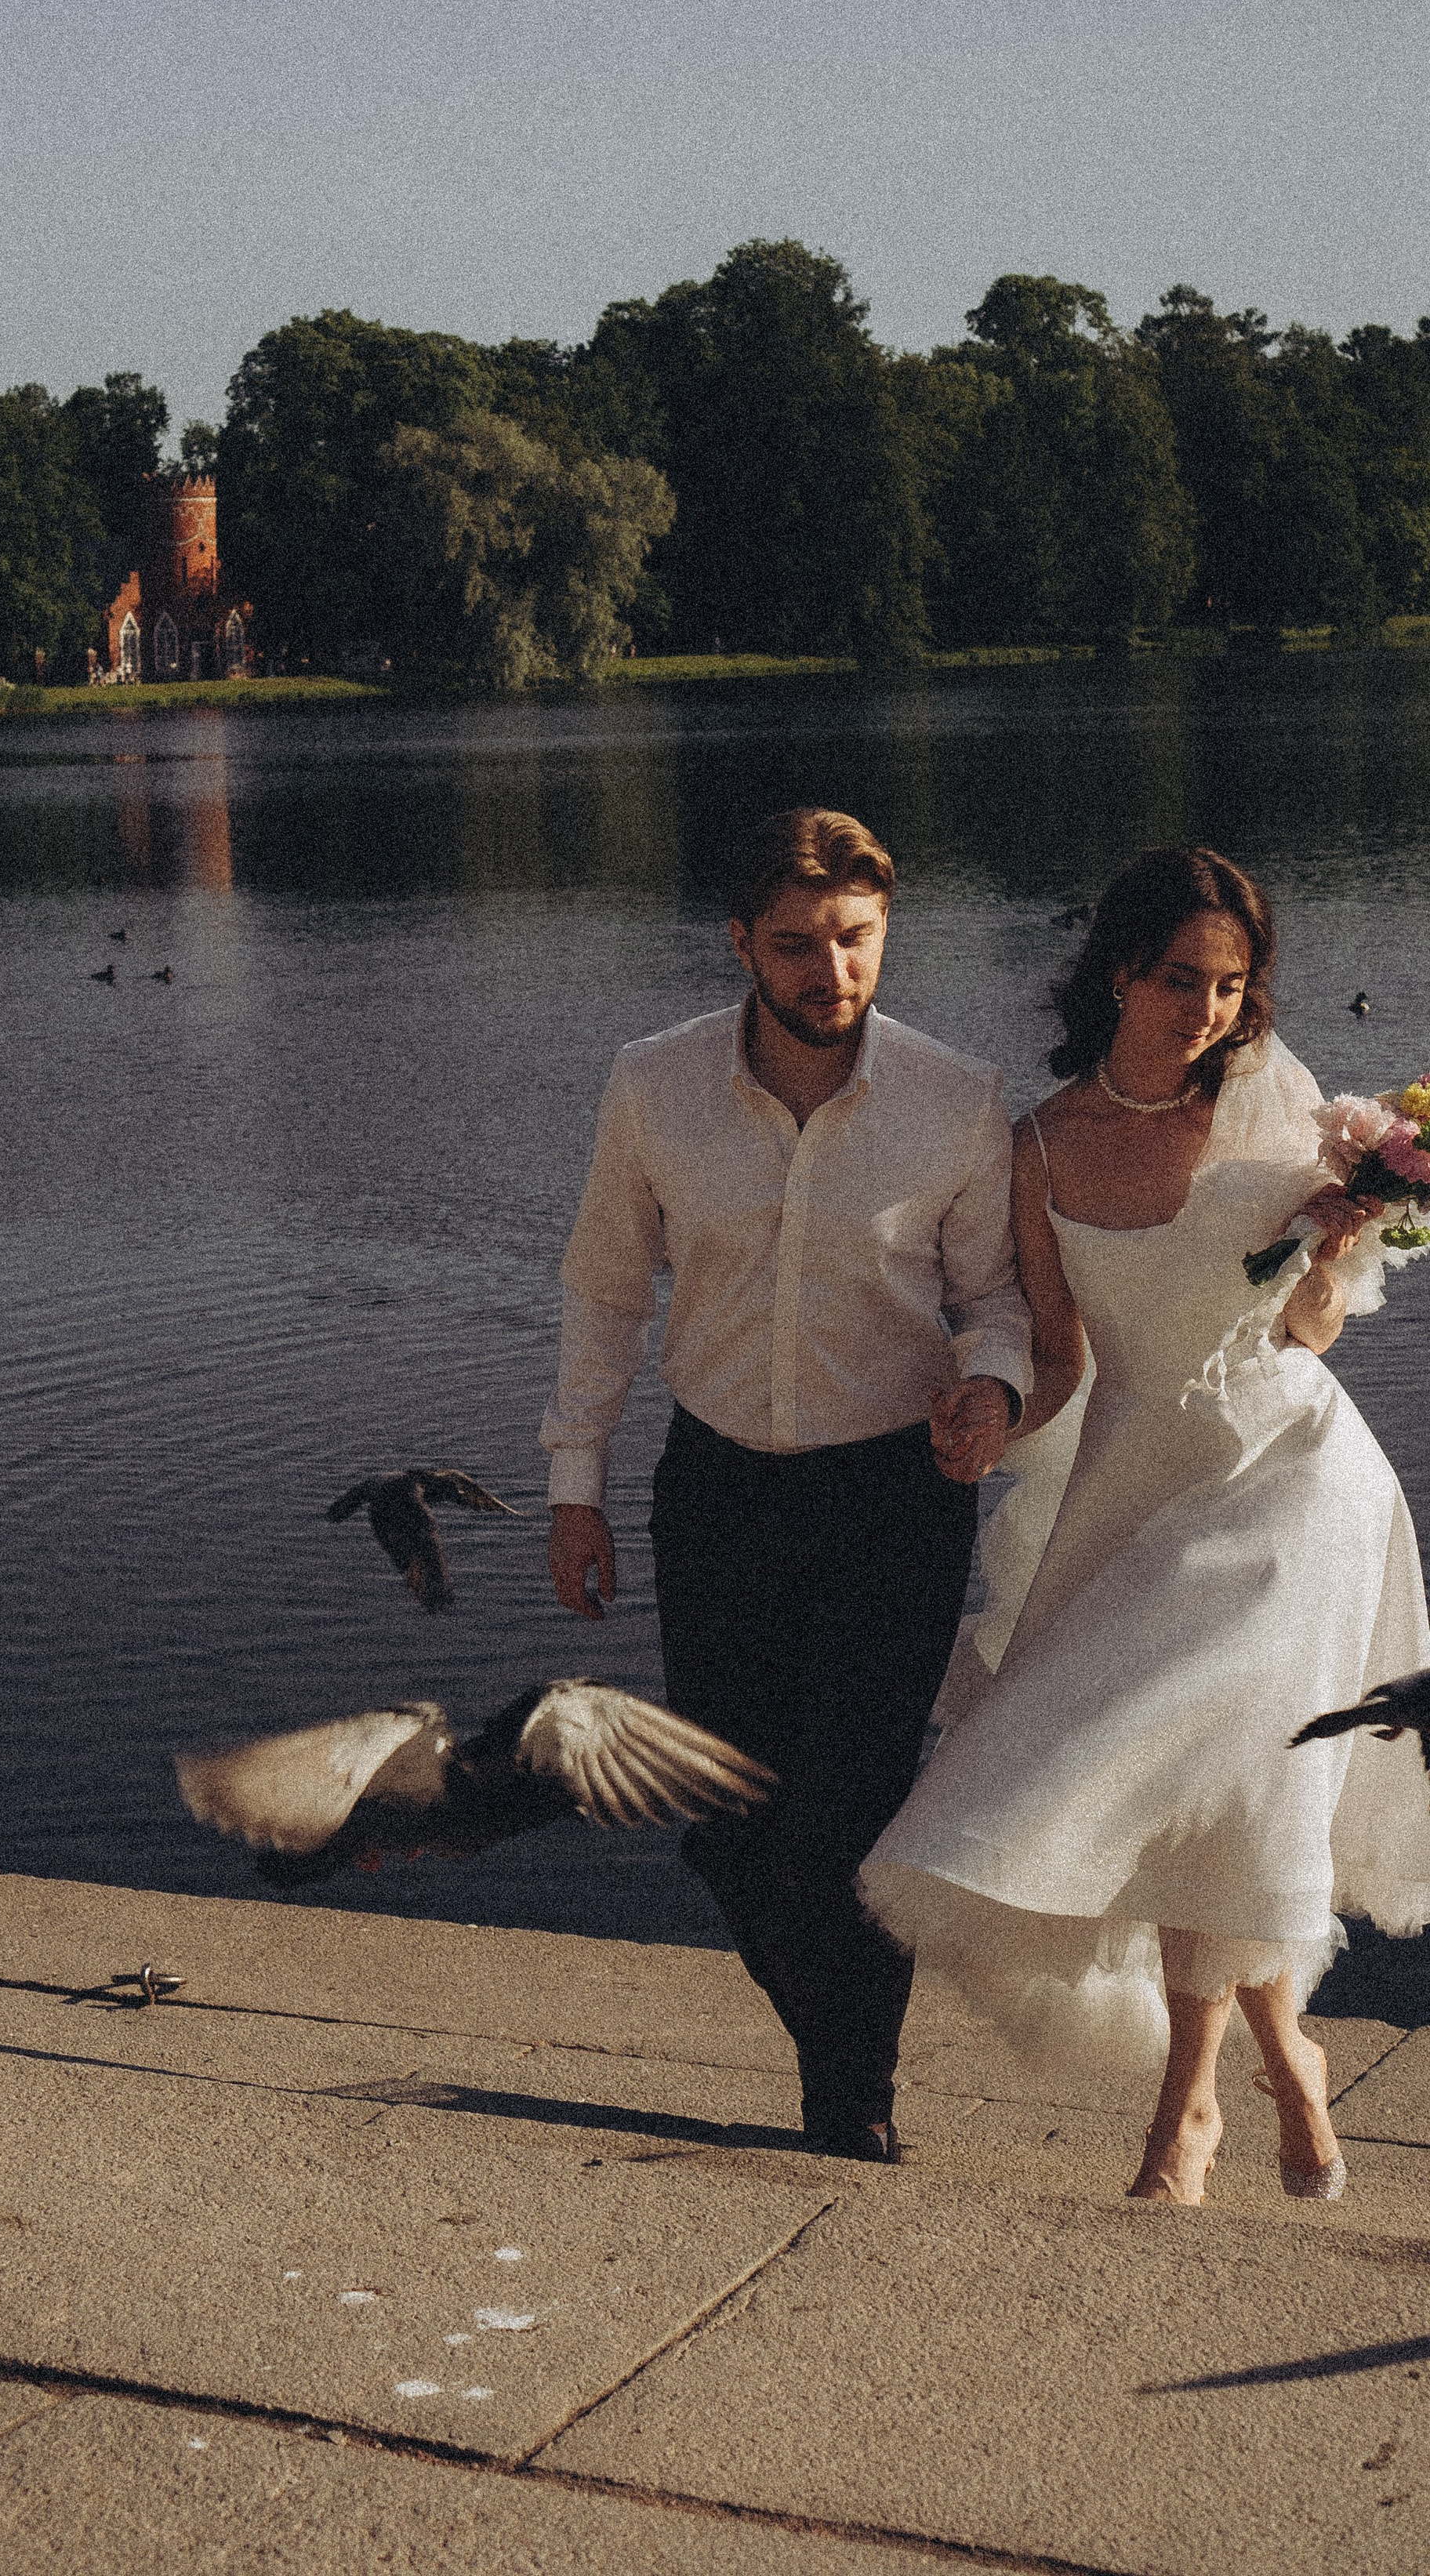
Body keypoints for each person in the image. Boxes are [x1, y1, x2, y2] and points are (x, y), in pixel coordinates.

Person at [860, 846, 1430, 2204]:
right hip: (1140, 1480)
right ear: (1121, 970)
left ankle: (1184, 2122)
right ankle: (1288, 2062)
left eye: (1234, 986)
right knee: (1202, 1792)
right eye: (1184, 980)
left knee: (1249, 1766)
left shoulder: (1281, 1109)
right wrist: (987, 1416)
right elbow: (1062, 1359)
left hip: (1296, 1475)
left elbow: (1304, 1329)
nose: (1211, 1012)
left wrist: (1340, 1250)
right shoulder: (1040, 1145)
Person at [543, 807, 1032, 2161]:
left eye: (857, 940)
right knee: (727, 1819)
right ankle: (848, 2062)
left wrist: (990, 1388)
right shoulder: (654, 1085)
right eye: (800, 946)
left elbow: (994, 1299)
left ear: (888, 931)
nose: (833, 974)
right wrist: (572, 1484)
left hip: (895, 1499)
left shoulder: (955, 1099)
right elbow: (601, 1293)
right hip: (718, 1496)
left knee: (855, 1820)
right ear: (742, 945)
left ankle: (852, 2100)